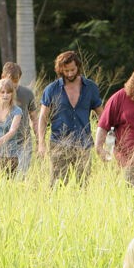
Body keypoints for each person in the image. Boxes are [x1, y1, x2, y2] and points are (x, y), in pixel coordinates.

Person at [37, 51, 103, 183]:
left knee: (84, 183)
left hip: (83, 143)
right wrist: (41, 143)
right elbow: (43, 117)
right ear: (60, 70)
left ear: (78, 66)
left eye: (73, 69)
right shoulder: (52, 89)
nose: (70, 73)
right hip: (59, 143)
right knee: (57, 184)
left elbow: (102, 115)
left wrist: (103, 141)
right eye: (66, 70)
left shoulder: (90, 87)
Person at [0, 62, 39, 174]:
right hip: (1, 146)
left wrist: (40, 141)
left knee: (20, 177)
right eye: (10, 82)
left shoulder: (27, 94)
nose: (13, 86)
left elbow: (34, 119)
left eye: (16, 82)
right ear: (2, 77)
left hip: (23, 143)